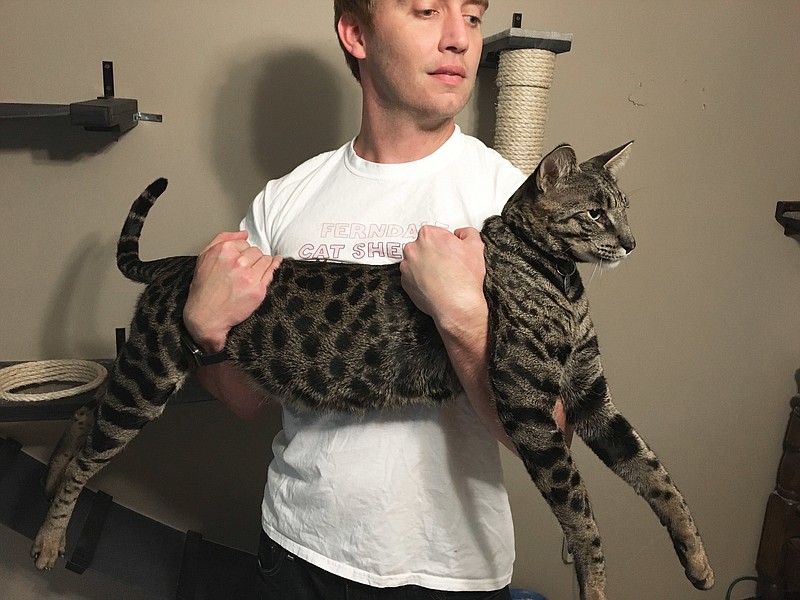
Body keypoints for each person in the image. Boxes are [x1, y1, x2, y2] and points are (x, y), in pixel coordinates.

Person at [183, 1, 568, 598]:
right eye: (425, 11)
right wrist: (206, 335)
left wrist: (464, 320)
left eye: (470, 16)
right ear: (355, 33)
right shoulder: (284, 203)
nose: (458, 39)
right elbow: (244, 400)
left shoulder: (510, 206)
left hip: (451, 573)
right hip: (298, 550)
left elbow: (551, 433)